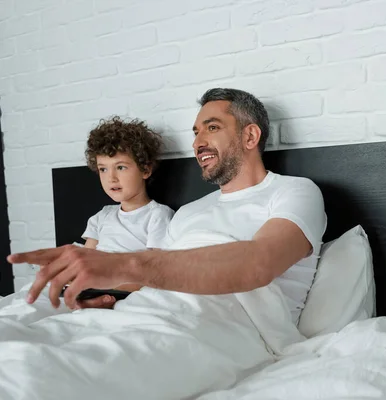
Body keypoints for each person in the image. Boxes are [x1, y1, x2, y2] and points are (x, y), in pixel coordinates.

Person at [9, 88, 327, 325]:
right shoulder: (189, 212)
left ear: (250, 136)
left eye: (212, 127)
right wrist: (101, 300)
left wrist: (124, 265)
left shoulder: (294, 191)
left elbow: (259, 263)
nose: (197, 142)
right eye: (196, 132)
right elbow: (158, 283)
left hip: (223, 326)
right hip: (145, 317)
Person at [77, 116, 174, 307]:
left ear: (145, 170)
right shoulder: (102, 215)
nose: (111, 178)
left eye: (120, 167)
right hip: (96, 279)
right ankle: (92, 298)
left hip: (128, 280)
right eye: (103, 169)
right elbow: (86, 257)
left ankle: (102, 298)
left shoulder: (158, 215)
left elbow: (153, 268)